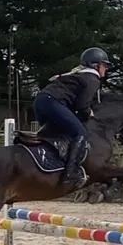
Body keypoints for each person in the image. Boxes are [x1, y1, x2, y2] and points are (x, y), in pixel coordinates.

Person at [32, 46, 111, 186]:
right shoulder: (92, 79)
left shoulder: (78, 75)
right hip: (53, 102)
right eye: (105, 65)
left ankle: (50, 164)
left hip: (40, 102)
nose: (106, 69)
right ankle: (70, 173)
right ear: (96, 65)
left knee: (56, 134)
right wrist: (89, 113)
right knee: (80, 132)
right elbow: (81, 106)